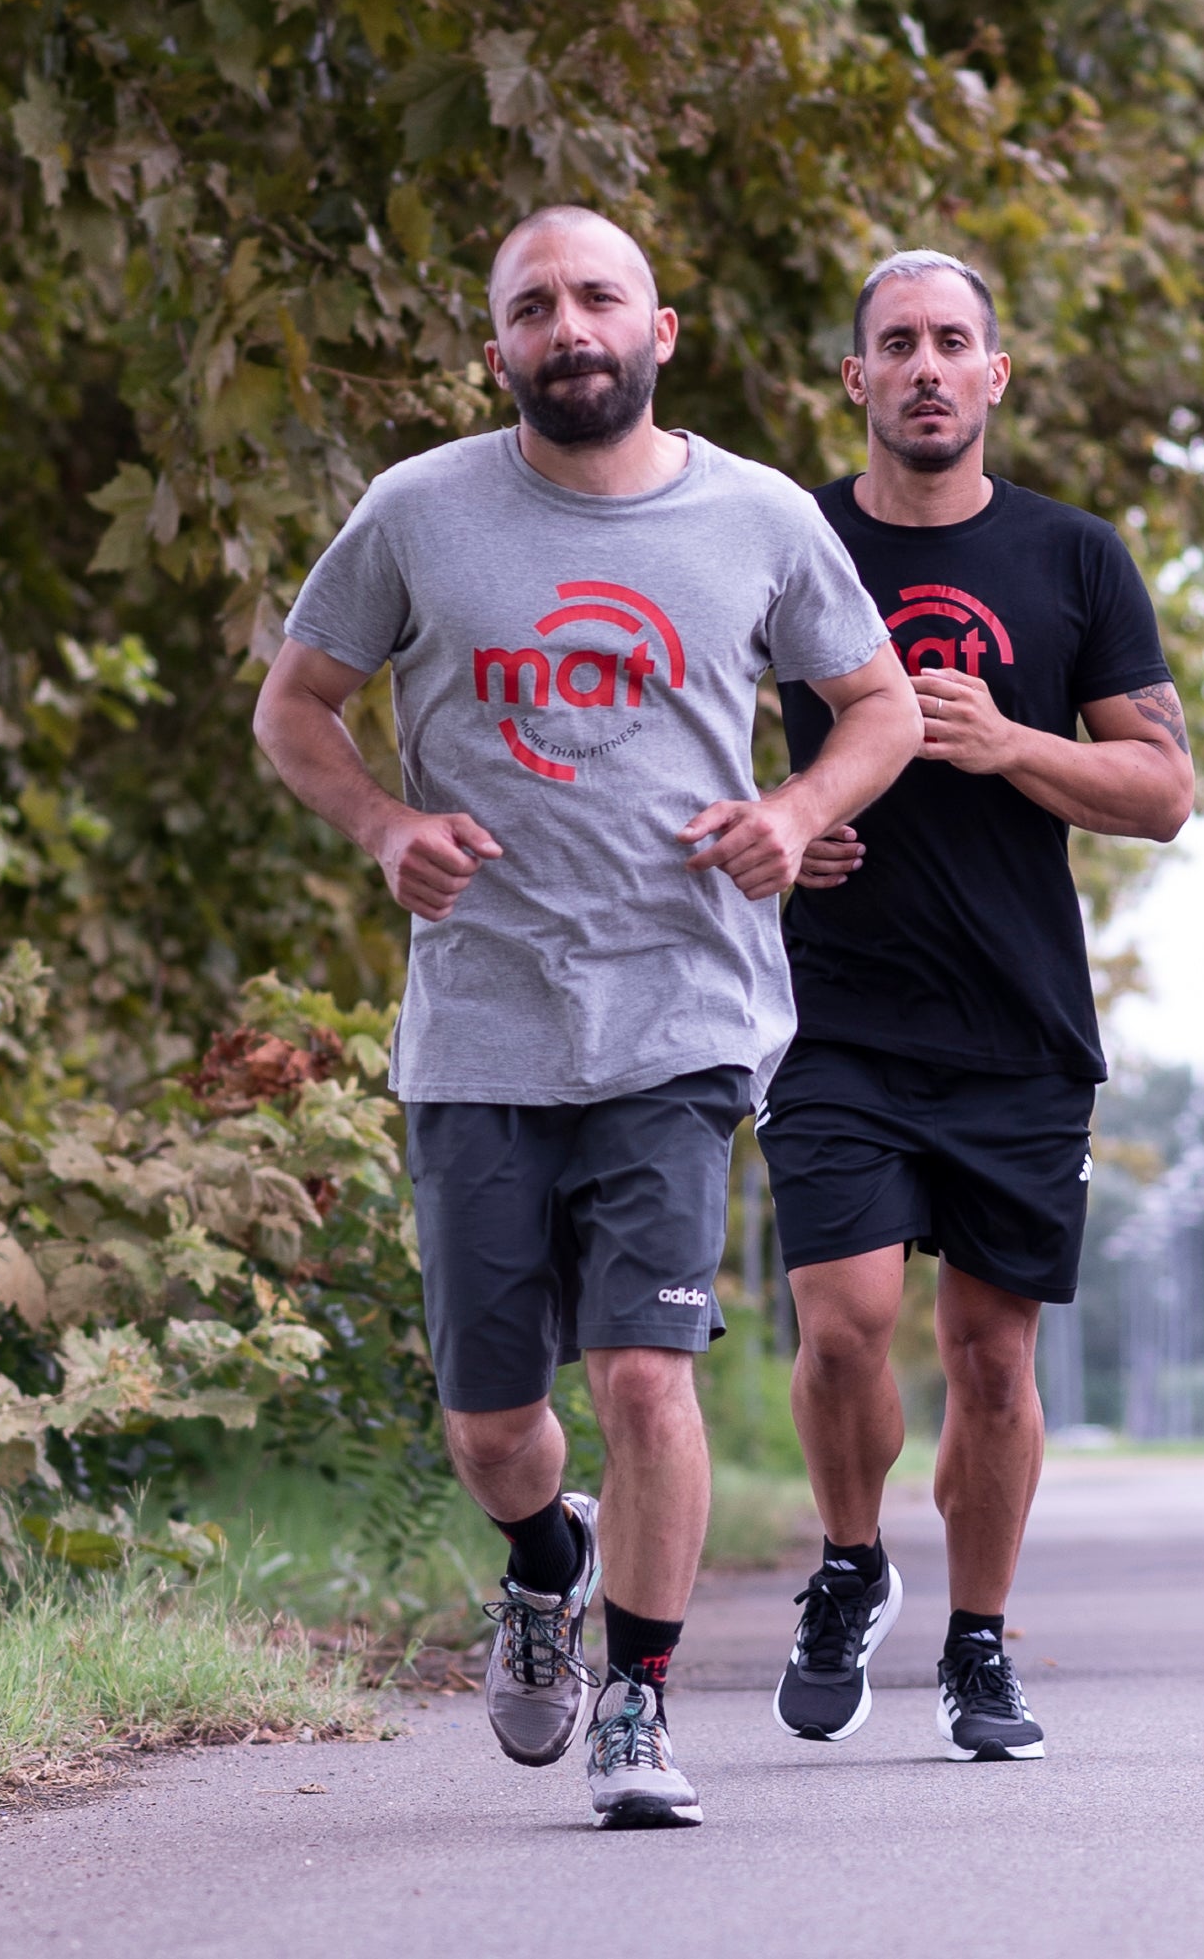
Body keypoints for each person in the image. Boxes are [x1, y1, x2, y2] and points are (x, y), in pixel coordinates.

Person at [252, 206, 918, 1828]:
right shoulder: (420, 512)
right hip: (481, 1028)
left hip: (680, 1019)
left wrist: (798, 803)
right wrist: (387, 828)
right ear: (500, 348)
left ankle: (638, 1699)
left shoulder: (757, 516)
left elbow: (881, 702)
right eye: (534, 306)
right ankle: (544, 1565)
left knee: (643, 1377)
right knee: (496, 1426)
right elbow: (296, 704)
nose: (570, 326)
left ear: (659, 329)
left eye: (597, 297)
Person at [760, 250, 1195, 1761]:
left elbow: (1163, 789)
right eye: (899, 344)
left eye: (955, 342)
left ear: (996, 376)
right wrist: (782, 818)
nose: (929, 366)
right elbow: (667, 728)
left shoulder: (1075, 560)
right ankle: (849, 1559)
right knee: (844, 1321)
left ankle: (979, 1642)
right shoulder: (788, 539)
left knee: (995, 1358)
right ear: (857, 380)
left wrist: (1013, 744)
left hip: (1018, 1025)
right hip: (833, 1012)